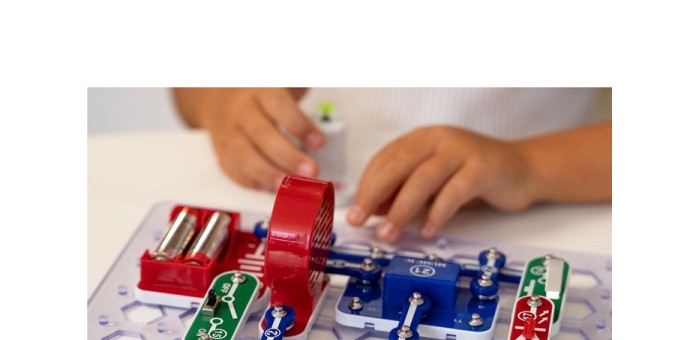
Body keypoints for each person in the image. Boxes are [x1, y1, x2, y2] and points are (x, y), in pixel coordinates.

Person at [173, 87, 611, 244]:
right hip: (270, 184)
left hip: (536, 211)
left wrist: (527, 164)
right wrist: (220, 101)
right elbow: (189, 90)